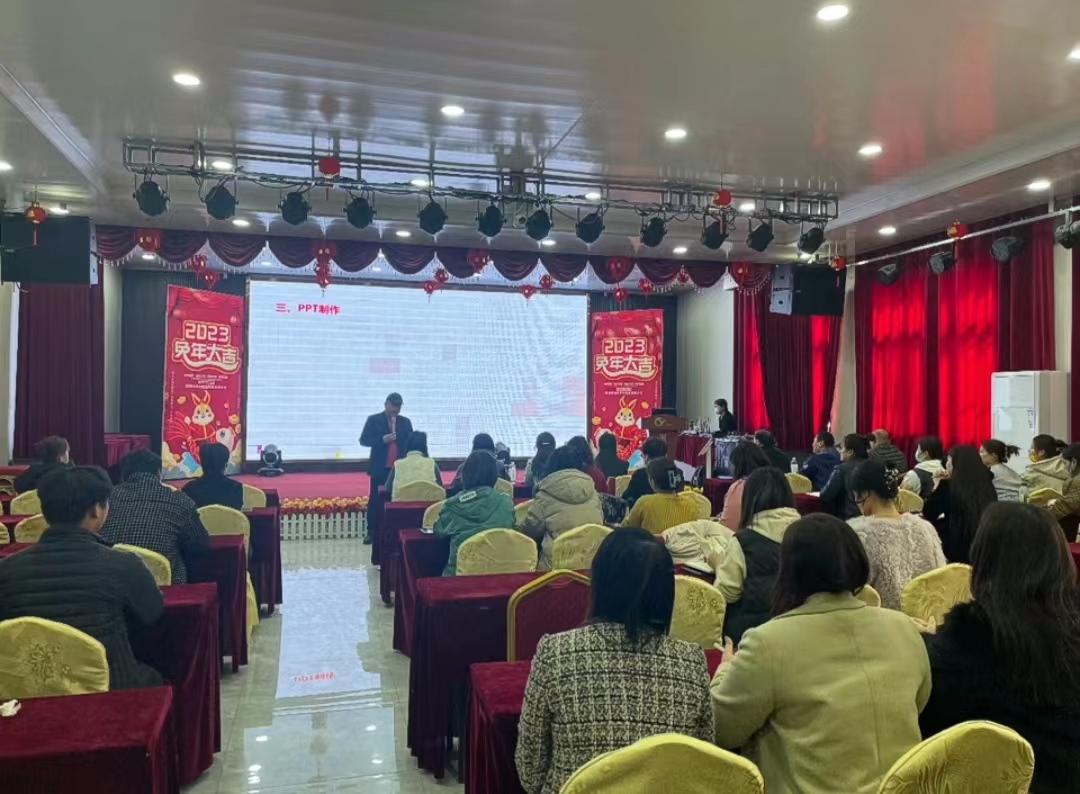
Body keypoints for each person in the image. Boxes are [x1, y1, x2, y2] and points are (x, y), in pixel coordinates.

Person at [711, 514, 931, 794]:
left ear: (788, 570)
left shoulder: (768, 642)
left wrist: (724, 670)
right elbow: (919, 702)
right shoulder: (903, 628)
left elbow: (721, 728)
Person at [516, 528, 712, 794]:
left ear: (598, 585)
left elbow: (529, 771)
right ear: (667, 593)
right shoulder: (692, 662)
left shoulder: (555, 654)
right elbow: (700, 764)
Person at [921, 503, 1080, 794]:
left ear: (985, 559)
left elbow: (931, 715)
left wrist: (927, 642)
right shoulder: (1069, 624)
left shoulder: (973, 637)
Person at [0, 466, 165, 689]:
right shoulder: (124, 564)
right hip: (112, 687)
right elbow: (153, 613)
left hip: (28, 691)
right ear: (97, 509)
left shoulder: (6, 569)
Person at [707, 467, 800, 645]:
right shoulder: (808, 533)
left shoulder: (743, 541)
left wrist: (718, 564)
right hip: (798, 631)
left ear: (749, 500)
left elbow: (726, 594)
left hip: (751, 637)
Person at [100, 450, 210, 585]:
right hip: (166, 589)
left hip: (110, 584)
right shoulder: (180, 501)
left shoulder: (105, 499)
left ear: (123, 475)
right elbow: (200, 543)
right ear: (159, 474)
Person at [848, 459, 945, 610]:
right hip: (928, 617)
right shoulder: (925, 528)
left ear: (865, 494)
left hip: (885, 621)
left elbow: (850, 594)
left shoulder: (860, 535)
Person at [519, 445, 604, 569]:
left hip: (555, 572)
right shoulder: (592, 492)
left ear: (552, 465)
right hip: (591, 568)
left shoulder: (545, 494)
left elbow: (529, 532)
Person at [432, 450, 516, 575]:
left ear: (465, 475)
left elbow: (439, 532)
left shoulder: (452, 505)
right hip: (500, 574)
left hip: (460, 576)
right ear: (494, 477)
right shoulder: (506, 503)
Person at [922, 445, 998, 564]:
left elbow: (928, 513)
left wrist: (936, 485)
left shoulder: (948, 487)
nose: (946, 465)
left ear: (955, 464)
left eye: (948, 461)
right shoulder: (987, 485)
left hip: (956, 548)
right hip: (985, 546)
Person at [624, 457, 699, 535]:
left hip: (651, 543)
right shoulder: (691, 504)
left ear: (652, 481)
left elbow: (628, 527)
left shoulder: (644, 502)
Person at [359, 392, 413, 496]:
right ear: (385, 404)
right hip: (380, 468)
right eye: (393, 405)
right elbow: (364, 440)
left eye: (398, 406)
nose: (396, 409)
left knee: (398, 497)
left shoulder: (405, 422)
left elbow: (411, 443)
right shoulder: (374, 420)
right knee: (376, 499)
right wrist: (382, 440)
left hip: (400, 469)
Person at [719, 441, 771, 530]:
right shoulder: (775, 482)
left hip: (744, 536)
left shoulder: (739, 487)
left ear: (738, 466)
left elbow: (728, 525)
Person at [819, 433, 870, 520]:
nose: (840, 451)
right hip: (871, 515)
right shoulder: (872, 466)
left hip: (848, 518)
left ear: (850, 452)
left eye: (842, 448)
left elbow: (826, 494)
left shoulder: (842, 469)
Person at [181, 441, 243, 509]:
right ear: (225, 464)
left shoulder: (188, 488)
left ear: (201, 463)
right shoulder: (235, 488)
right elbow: (236, 513)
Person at [384, 431, 441, 500]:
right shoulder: (431, 463)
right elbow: (440, 486)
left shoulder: (398, 464)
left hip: (401, 505)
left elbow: (388, 488)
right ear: (425, 447)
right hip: (429, 504)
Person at [621, 437, 669, 507]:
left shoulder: (640, 474)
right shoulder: (672, 473)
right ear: (665, 455)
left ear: (646, 457)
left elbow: (627, 497)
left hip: (645, 511)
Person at [1047, 443, 1080, 525]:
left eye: (1065, 463)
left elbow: (1064, 506)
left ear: (1074, 462)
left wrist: (1040, 517)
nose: (1064, 467)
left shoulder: (1077, 481)